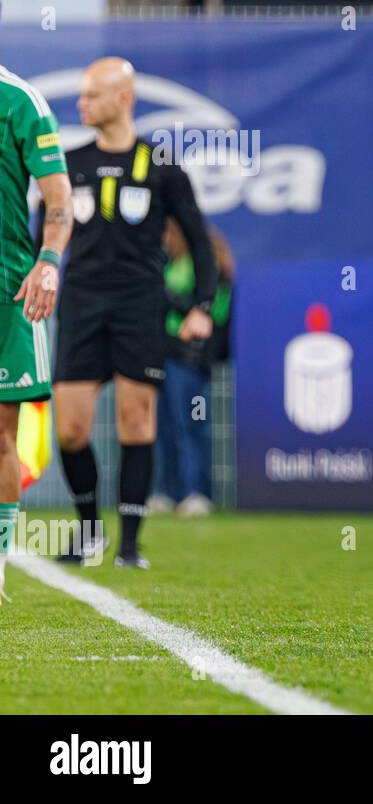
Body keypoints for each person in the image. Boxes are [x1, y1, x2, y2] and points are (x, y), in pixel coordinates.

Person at [48, 57, 217, 569]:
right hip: (80, 303)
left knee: (136, 422)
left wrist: (201, 307)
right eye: (80, 95)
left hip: (139, 305)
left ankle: (129, 546)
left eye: (92, 95)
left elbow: (201, 245)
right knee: (70, 429)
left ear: (124, 99)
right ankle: (90, 532)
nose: (81, 104)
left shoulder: (162, 166)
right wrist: (42, 275)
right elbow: (47, 234)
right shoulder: (68, 163)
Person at [0, 63, 73, 600]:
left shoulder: (20, 100)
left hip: (5, 290)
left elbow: (59, 200)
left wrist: (47, 261)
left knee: (0, 434)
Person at [151, 220, 234, 517]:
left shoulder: (207, 268)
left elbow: (212, 310)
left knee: (191, 424)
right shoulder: (173, 264)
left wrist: (170, 299)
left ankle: (197, 492)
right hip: (166, 356)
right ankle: (167, 491)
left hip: (191, 359)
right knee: (165, 427)